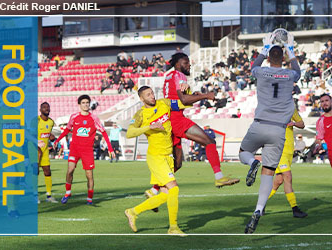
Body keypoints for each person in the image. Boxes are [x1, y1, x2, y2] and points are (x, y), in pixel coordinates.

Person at [239, 32, 301, 234]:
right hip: (279, 130)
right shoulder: (290, 74)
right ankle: (258, 209)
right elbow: (298, 71)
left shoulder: (261, 72)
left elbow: (252, 67)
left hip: (260, 124)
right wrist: (290, 50)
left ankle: (252, 162)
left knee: (243, 153)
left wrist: (264, 48)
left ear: (268, 57)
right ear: (282, 58)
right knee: (269, 173)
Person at [162, 52, 239, 188]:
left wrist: (194, 95)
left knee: (177, 164)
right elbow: (184, 100)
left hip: (169, 118)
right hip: (177, 119)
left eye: (189, 63)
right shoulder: (179, 76)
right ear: (177, 64)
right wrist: (205, 96)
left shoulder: (169, 76)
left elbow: (176, 99)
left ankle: (155, 189)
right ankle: (219, 177)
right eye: (186, 63)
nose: (189, 65)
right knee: (209, 142)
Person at [124, 86, 186, 236]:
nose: (152, 96)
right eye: (148, 95)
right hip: (156, 157)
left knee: (165, 195)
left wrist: (186, 92)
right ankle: (173, 227)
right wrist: (149, 127)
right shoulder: (140, 115)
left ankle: (133, 211)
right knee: (174, 189)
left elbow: (183, 104)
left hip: (167, 156)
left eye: (152, 93)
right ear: (141, 99)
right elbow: (130, 133)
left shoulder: (163, 103)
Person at [54, 95, 115, 205]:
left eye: (87, 102)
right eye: (83, 103)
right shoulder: (74, 117)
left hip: (87, 151)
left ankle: (89, 199)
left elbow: (104, 132)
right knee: (70, 170)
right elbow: (67, 130)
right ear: (79, 105)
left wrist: (110, 149)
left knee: (89, 175)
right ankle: (68, 192)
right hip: (75, 149)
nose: (86, 104)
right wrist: (57, 140)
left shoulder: (94, 118)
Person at [266, 107, 308, 218]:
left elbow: (302, 124)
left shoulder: (291, 109)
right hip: (278, 150)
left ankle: (261, 204)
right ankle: (295, 208)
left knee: (278, 181)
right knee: (287, 176)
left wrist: (292, 123)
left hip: (289, 150)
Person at [37, 102, 58, 203]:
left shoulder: (51, 122)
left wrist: (51, 136)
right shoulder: (36, 120)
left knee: (47, 171)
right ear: (40, 110)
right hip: (34, 149)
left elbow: (47, 133)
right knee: (35, 172)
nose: (46, 109)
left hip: (44, 150)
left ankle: (49, 196)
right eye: (44, 107)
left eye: (48, 107)